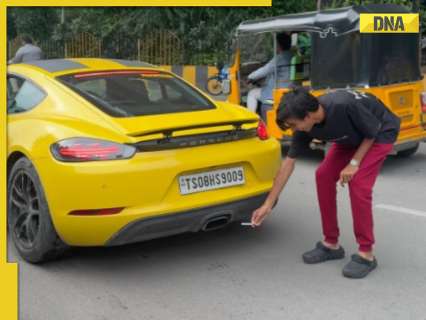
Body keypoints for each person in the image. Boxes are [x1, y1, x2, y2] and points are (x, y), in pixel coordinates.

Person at [251, 87, 401, 279]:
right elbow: (288, 164)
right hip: (350, 138)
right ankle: (331, 244)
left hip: (380, 133)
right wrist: (268, 204)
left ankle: (366, 253)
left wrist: (353, 164)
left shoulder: (344, 105)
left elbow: (371, 132)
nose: (294, 130)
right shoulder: (304, 125)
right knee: (323, 175)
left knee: (359, 184)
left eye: (294, 124)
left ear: (308, 116)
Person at [246, 32, 293, 115]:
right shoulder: (293, 55)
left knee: (252, 93)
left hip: (277, 91)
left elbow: (264, 70)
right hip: (291, 87)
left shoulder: (279, 58)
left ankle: (251, 118)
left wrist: (250, 77)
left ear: (279, 45)